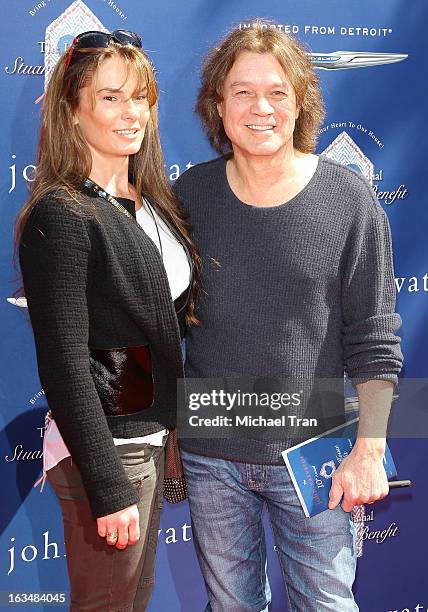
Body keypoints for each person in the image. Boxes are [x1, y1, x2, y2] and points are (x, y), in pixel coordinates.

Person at [174, 22, 403, 612]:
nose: (260, 108)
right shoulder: (188, 199)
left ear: (300, 102)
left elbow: (375, 338)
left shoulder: (349, 201)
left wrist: (370, 450)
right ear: (217, 107)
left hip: (316, 457)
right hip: (212, 459)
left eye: (277, 92)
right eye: (242, 92)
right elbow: (159, 321)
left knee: (326, 604)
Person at [15, 29, 198, 611]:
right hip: (112, 451)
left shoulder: (153, 201)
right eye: (111, 97)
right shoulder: (63, 212)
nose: (131, 112)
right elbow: (65, 361)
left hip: (149, 440)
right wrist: (106, 482)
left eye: (140, 96)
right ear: (73, 110)